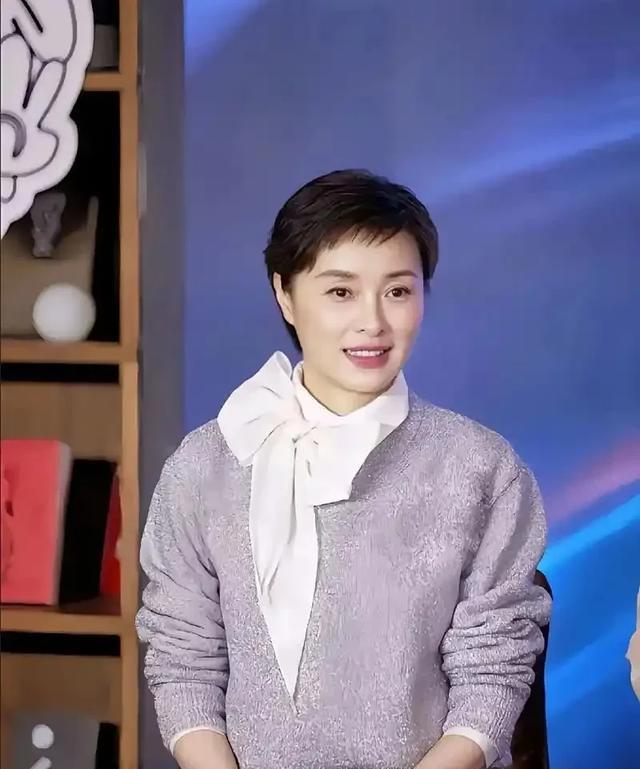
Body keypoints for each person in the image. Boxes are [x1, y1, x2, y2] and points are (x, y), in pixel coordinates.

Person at [136, 169, 552, 769]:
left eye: (398, 291)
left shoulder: (482, 469)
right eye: (340, 292)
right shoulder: (205, 466)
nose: (372, 322)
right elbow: (183, 660)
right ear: (284, 294)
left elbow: (493, 672)